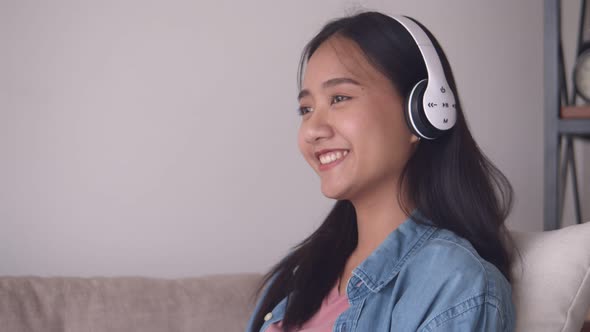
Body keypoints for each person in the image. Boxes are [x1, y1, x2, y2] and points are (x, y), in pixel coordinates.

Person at [246, 11, 516, 332]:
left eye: (340, 98)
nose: (312, 130)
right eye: (306, 109)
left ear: (423, 113)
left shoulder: (456, 285)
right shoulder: (299, 275)